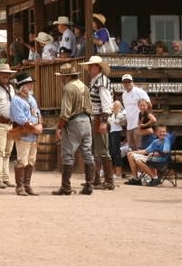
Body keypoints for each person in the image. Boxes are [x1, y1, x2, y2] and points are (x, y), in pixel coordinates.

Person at [52, 63, 95, 195]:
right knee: (87, 153)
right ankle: (89, 185)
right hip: (87, 121)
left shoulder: (68, 88)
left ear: (66, 76)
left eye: (61, 76)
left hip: (74, 122)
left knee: (68, 154)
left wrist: (59, 127)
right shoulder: (85, 87)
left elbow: (65, 113)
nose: (60, 79)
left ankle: (66, 187)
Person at [81, 55, 115, 190]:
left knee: (103, 150)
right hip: (94, 118)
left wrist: (103, 121)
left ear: (97, 67)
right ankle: (96, 179)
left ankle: (109, 181)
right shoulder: (96, 80)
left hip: (99, 118)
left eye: (91, 65)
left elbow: (107, 103)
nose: (89, 68)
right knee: (95, 150)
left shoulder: (102, 81)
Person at [9, 72, 42, 196]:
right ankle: (20, 187)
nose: (31, 86)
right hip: (23, 133)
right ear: (21, 86)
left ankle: (27, 185)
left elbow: (38, 113)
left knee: (31, 160)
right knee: (22, 160)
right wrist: (35, 128)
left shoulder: (31, 99)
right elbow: (20, 119)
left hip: (32, 134)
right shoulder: (16, 100)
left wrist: (40, 124)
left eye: (31, 84)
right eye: (28, 84)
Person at [121, 73, 151, 151]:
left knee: (140, 148)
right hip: (129, 126)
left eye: (129, 81)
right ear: (123, 84)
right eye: (125, 82)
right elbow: (127, 109)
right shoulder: (124, 95)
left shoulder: (139, 91)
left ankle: (141, 163)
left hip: (138, 125)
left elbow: (149, 105)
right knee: (131, 149)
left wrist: (144, 119)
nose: (127, 83)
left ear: (132, 82)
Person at [108, 100, 126, 181]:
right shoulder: (111, 114)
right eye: (114, 105)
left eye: (116, 105)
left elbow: (120, 121)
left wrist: (116, 112)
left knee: (116, 151)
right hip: (111, 132)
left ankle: (118, 172)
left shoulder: (121, 113)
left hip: (117, 132)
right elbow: (109, 122)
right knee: (111, 151)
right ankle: (112, 172)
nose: (114, 106)